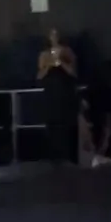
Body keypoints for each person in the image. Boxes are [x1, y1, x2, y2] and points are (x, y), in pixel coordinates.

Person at [37, 28, 79, 164]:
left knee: (68, 126)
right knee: (52, 126)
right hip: (51, 96)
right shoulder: (44, 55)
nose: (54, 37)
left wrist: (61, 62)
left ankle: (70, 157)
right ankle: (54, 158)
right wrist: (50, 64)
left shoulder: (68, 51)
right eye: (52, 35)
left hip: (66, 95)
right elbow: (39, 76)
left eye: (56, 34)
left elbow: (74, 73)